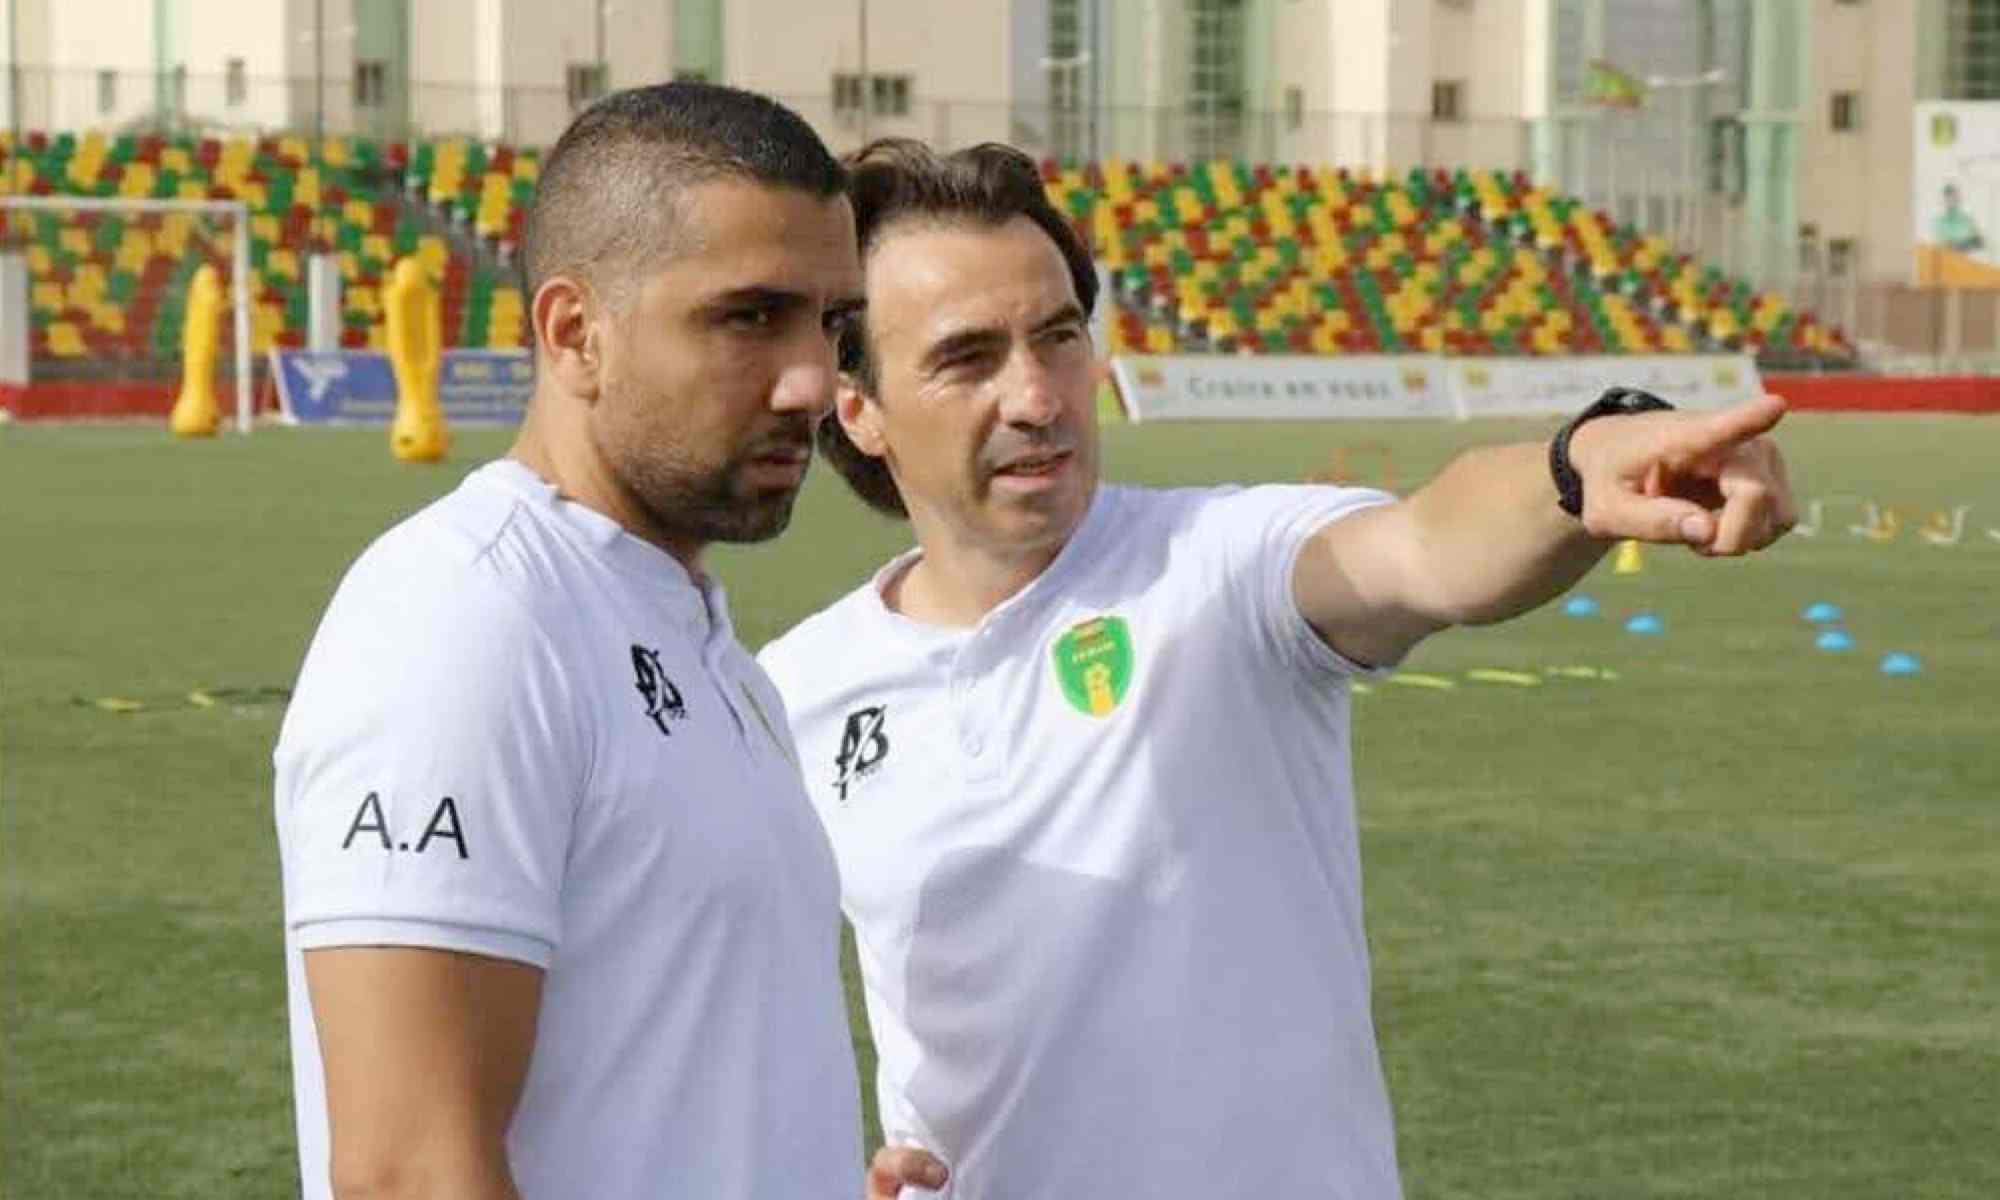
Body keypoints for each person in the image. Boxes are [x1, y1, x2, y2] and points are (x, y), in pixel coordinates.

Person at [757, 139, 1797, 1198]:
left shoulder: (1220, 565)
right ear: (860, 411)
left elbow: (1427, 547)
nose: (1035, 395)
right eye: (967, 357)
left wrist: (1576, 465)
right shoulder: (790, 691)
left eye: (1057, 337)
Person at [273, 85, 944, 1200]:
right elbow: (408, 1172)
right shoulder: (464, 619)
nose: (812, 385)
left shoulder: (709, 651)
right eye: (746, 317)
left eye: (828, 324)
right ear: (573, 332)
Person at [1932, 182, 1985, 255]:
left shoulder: (1966, 219)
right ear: (1944, 200)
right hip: (1947, 260)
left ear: (1958, 198)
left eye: (1953, 197)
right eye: (1948, 198)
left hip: (1963, 261)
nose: (1951, 201)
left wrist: (1969, 242)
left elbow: (1979, 242)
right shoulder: (1940, 222)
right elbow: (1941, 244)